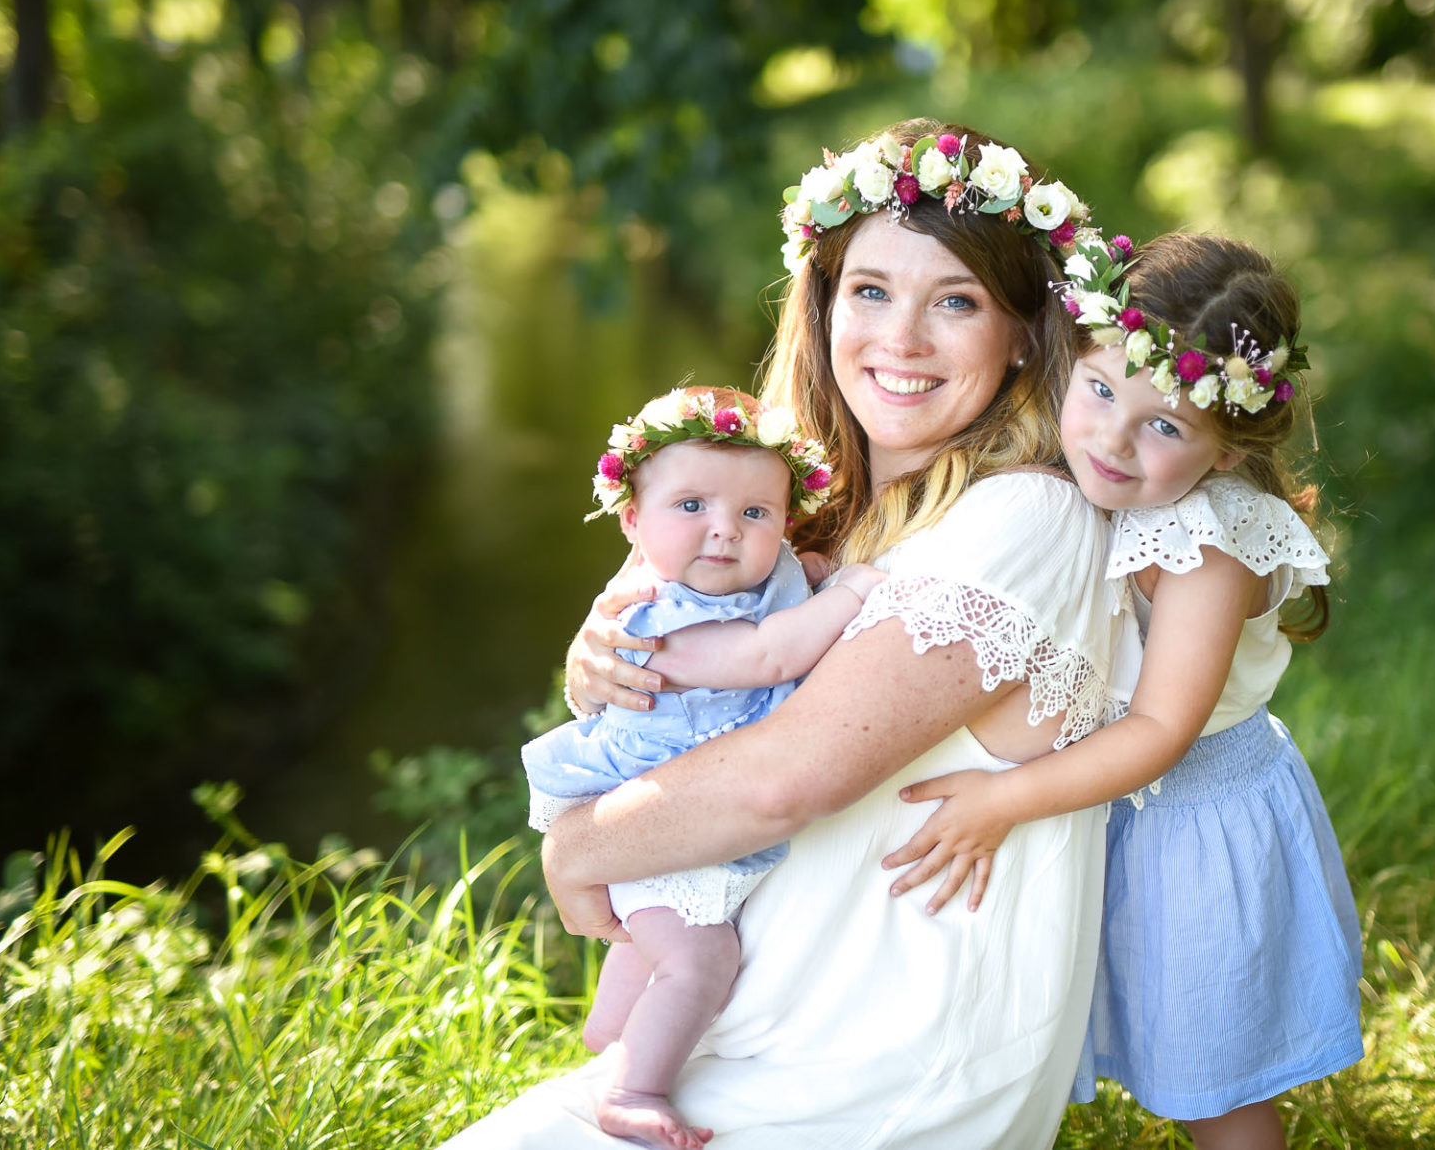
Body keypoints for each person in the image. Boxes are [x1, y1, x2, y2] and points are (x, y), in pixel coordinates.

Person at [441, 120, 1127, 1150]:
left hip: (887, 1053)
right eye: (871, 291)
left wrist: (578, 846)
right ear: (823, 304)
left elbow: (782, 781)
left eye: (956, 302)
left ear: (1025, 334)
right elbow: (674, 662)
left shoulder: (1026, 516)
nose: (902, 339)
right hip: (757, 1013)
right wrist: (608, 651)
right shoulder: (803, 517)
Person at [878, 233, 1365, 1150]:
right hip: (1112, 805)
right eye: (1100, 390)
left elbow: (1160, 729)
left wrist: (1003, 799)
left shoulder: (1208, 546)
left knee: (1213, 1084)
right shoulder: (1087, 479)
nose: (1112, 438)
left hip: (1196, 822)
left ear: (1228, 450)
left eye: (1165, 426)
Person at [521, 384, 886, 1149]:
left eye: (755, 513)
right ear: (632, 521)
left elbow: (782, 589)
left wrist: (810, 573)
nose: (725, 530)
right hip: (660, 817)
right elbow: (769, 655)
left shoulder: (749, 575)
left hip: (690, 812)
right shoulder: (660, 619)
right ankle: (634, 1091)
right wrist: (850, 591)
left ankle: (611, 1038)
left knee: (650, 946)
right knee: (700, 958)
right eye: (691, 506)